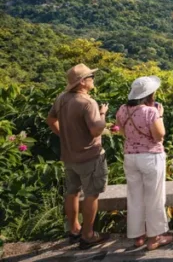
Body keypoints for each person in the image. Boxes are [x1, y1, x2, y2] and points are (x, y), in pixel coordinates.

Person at [47, 64, 111, 249]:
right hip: (90, 156)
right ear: (82, 82)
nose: (93, 79)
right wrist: (102, 114)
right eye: (90, 77)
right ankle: (88, 234)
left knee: (72, 192)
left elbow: (51, 120)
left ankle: (74, 229)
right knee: (92, 194)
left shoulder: (62, 98)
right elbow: (96, 129)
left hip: (69, 156)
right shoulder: (87, 103)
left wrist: (64, 136)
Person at [115, 76, 172, 251]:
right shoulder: (151, 112)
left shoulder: (123, 110)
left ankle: (137, 236)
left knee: (134, 197)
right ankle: (154, 238)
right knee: (154, 197)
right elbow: (159, 135)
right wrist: (160, 115)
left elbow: (122, 131)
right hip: (151, 157)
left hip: (130, 156)